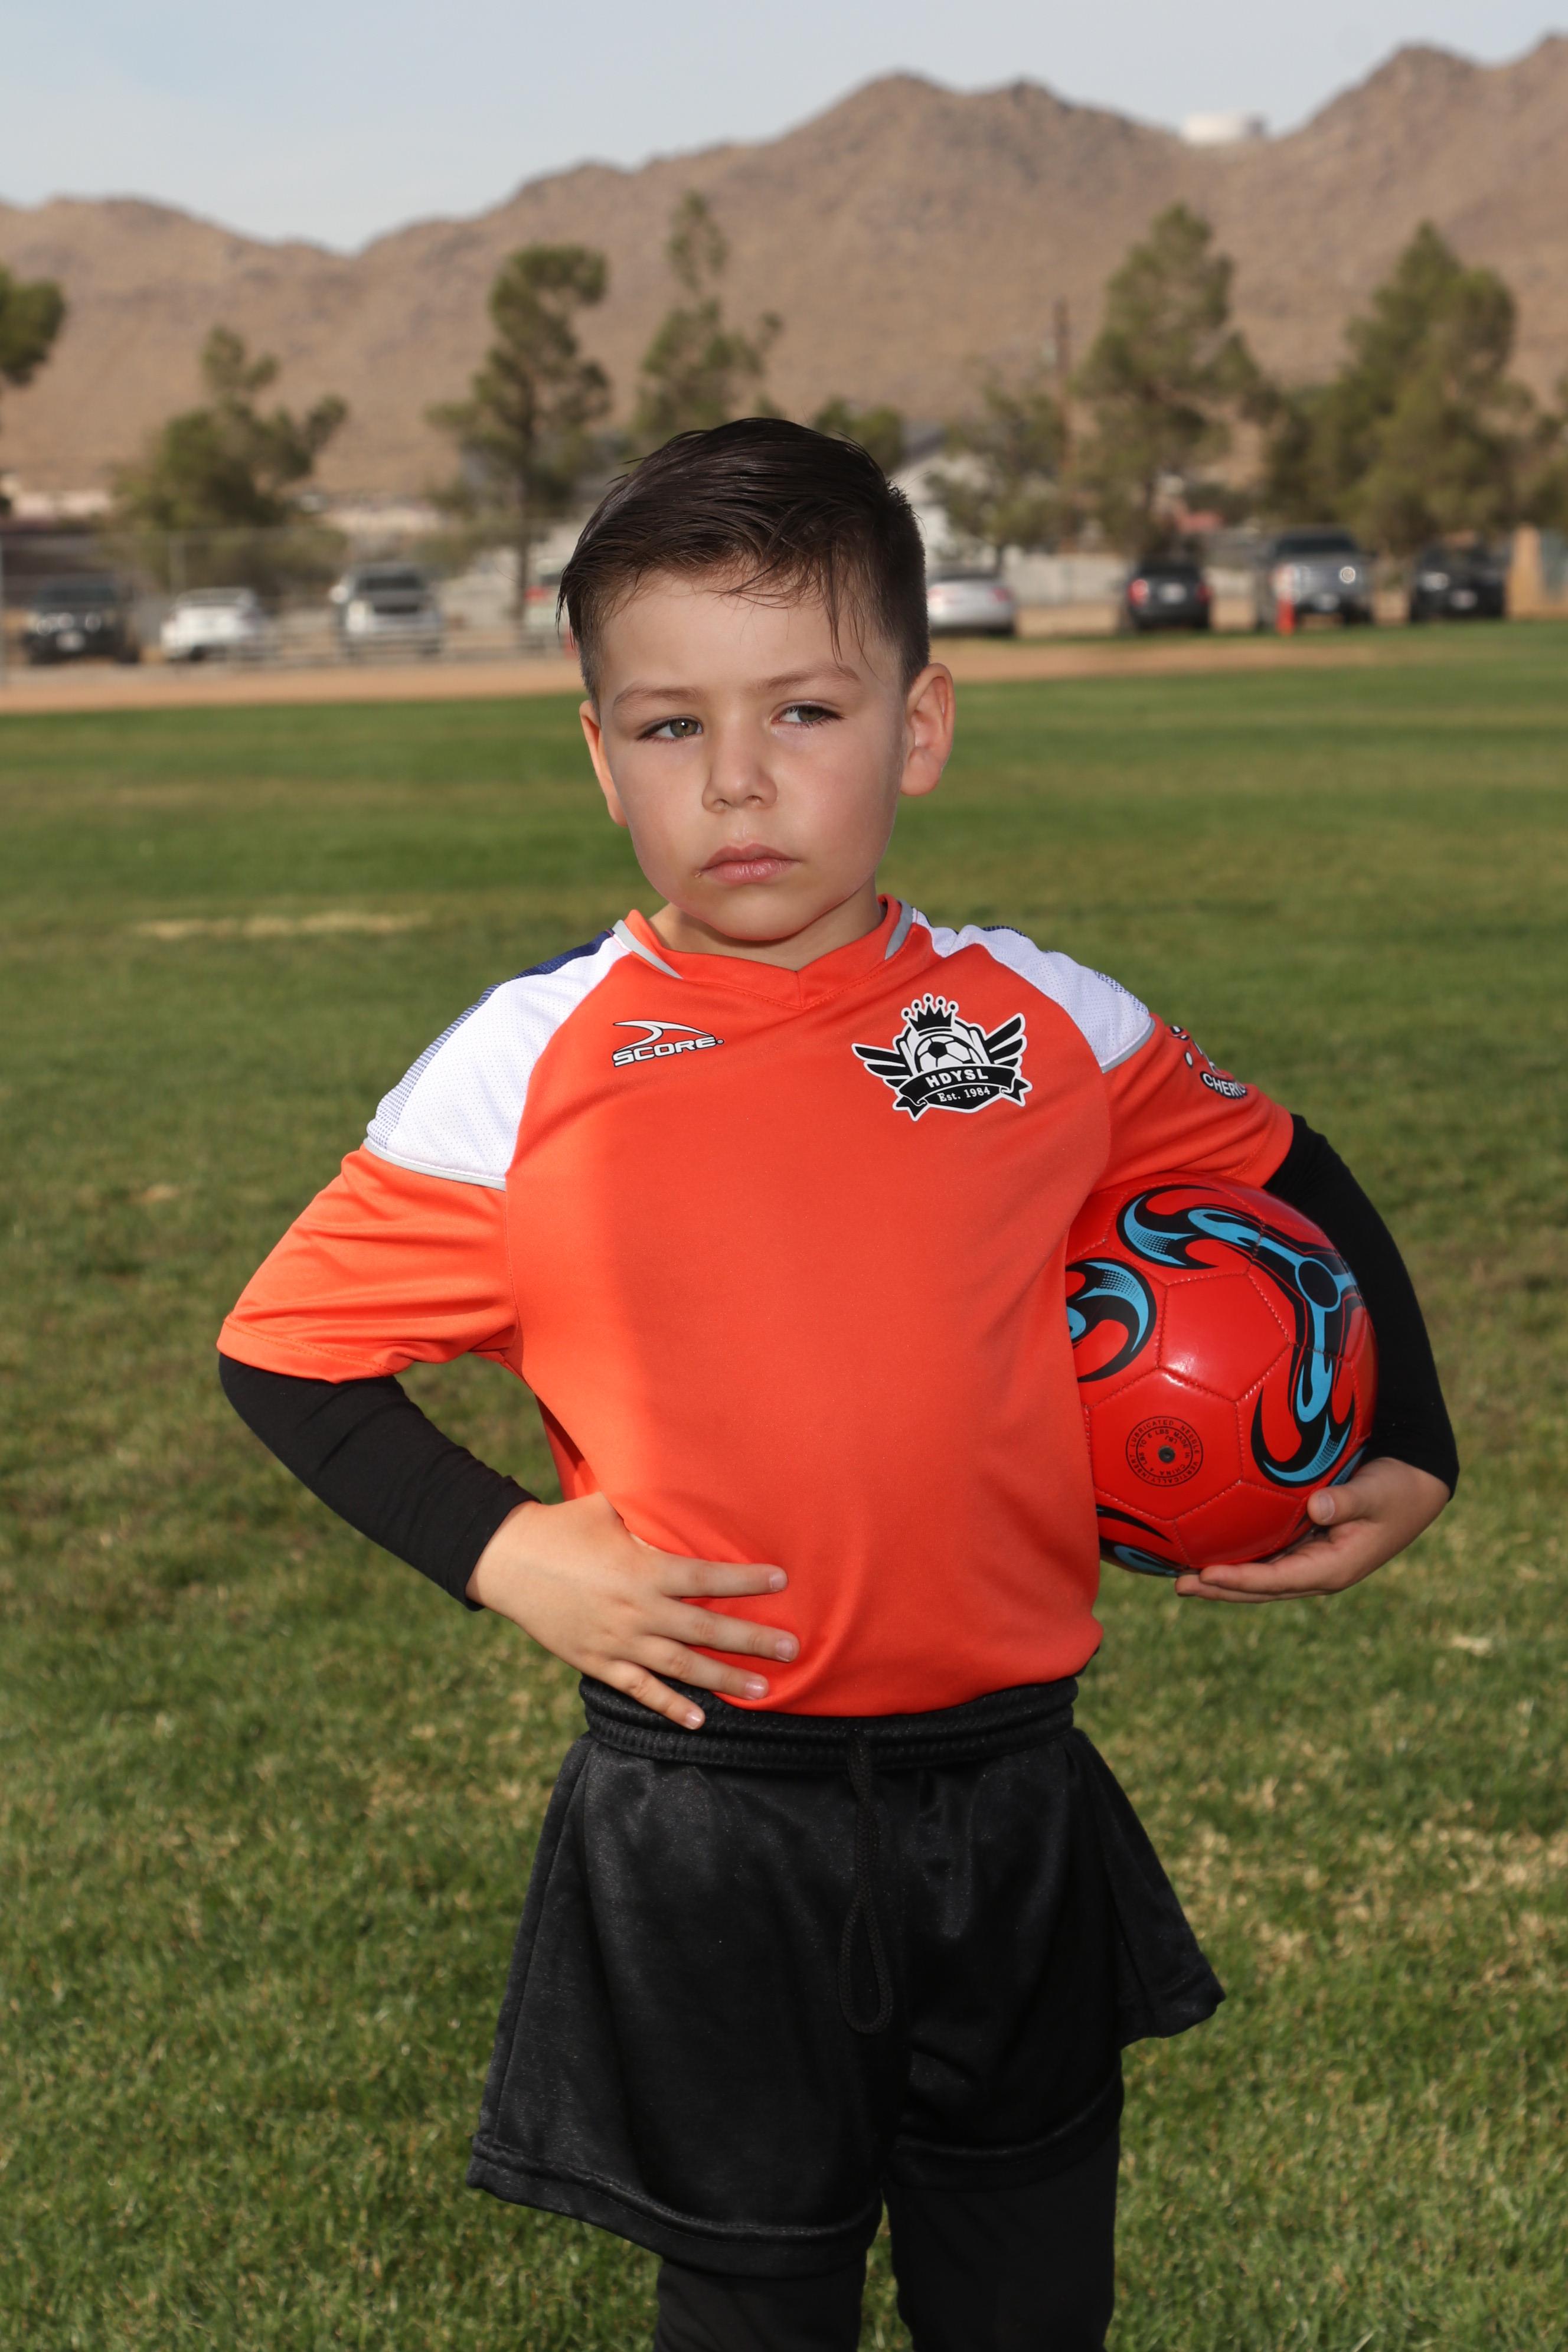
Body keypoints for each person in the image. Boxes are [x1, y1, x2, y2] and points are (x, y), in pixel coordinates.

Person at [218, 420, 1456, 2352]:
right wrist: (510, 1553)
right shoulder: (526, 1068)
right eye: (670, 726)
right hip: (709, 1811)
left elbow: (1285, 1168)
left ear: (921, 723)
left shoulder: (1039, 1018)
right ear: (600, 755)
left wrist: (1411, 1440)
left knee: (1031, 2292)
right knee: (751, 2307)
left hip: (1014, 1782)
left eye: (804, 709)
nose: (738, 779)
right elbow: (286, 1352)